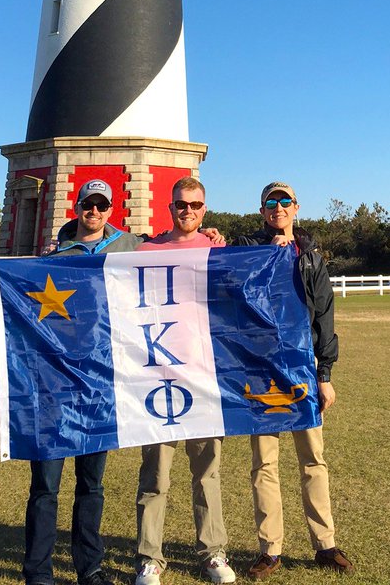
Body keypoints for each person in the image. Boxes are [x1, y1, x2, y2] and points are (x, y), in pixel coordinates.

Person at [0, 179, 142, 585]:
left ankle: (91, 568)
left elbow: (172, 265)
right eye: (89, 203)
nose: (95, 210)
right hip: (52, 388)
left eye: (103, 204)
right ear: (78, 205)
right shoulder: (51, 256)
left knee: (92, 485)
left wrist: (213, 242)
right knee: (45, 487)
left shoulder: (130, 248)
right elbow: (18, 317)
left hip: (102, 387)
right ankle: (38, 573)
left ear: (111, 208)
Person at [236, 183, 353, 578]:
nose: (279, 208)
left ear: (296, 209)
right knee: (264, 464)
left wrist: (325, 374)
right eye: (272, 202)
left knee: (312, 461)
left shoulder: (310, 257)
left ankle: (325, 544)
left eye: (286, 202)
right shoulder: (246, 251)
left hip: (302, 368)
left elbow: (324, 317)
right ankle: (271, 549)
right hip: (261, 370)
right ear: (262, 210)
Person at [134, 176, 236, 585]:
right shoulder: (145, 251)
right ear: (170, 206)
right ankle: (149, 557)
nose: (187, 211)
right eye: (181, 204)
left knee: (207, 472)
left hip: (204, 379)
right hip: (156, 380)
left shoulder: (217, 248)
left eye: (195, 205)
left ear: (204, 209)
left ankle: (213, 552)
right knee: (155, 475)